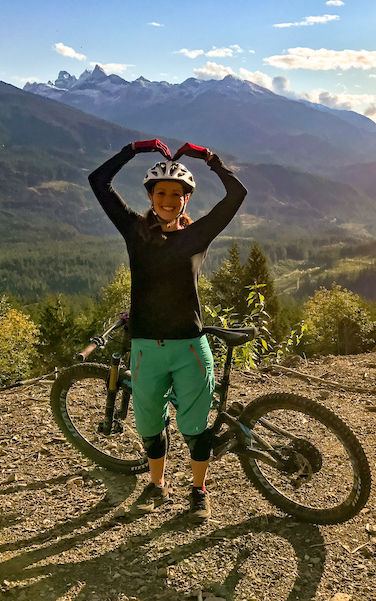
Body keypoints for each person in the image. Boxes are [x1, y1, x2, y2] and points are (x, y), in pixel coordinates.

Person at [88, 139, 248, 522]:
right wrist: (133, 149)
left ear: (186, 199)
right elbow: (98, 181)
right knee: (149, 425)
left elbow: (237, 194)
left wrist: (210, 158)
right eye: (161, 193)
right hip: (146, 348)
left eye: (177, 194)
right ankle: (157, 484)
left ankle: (199, 491)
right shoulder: (135, 230)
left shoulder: (197, 235)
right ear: (150, 196)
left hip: (190, 347)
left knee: (195, 428)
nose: (168, 200)